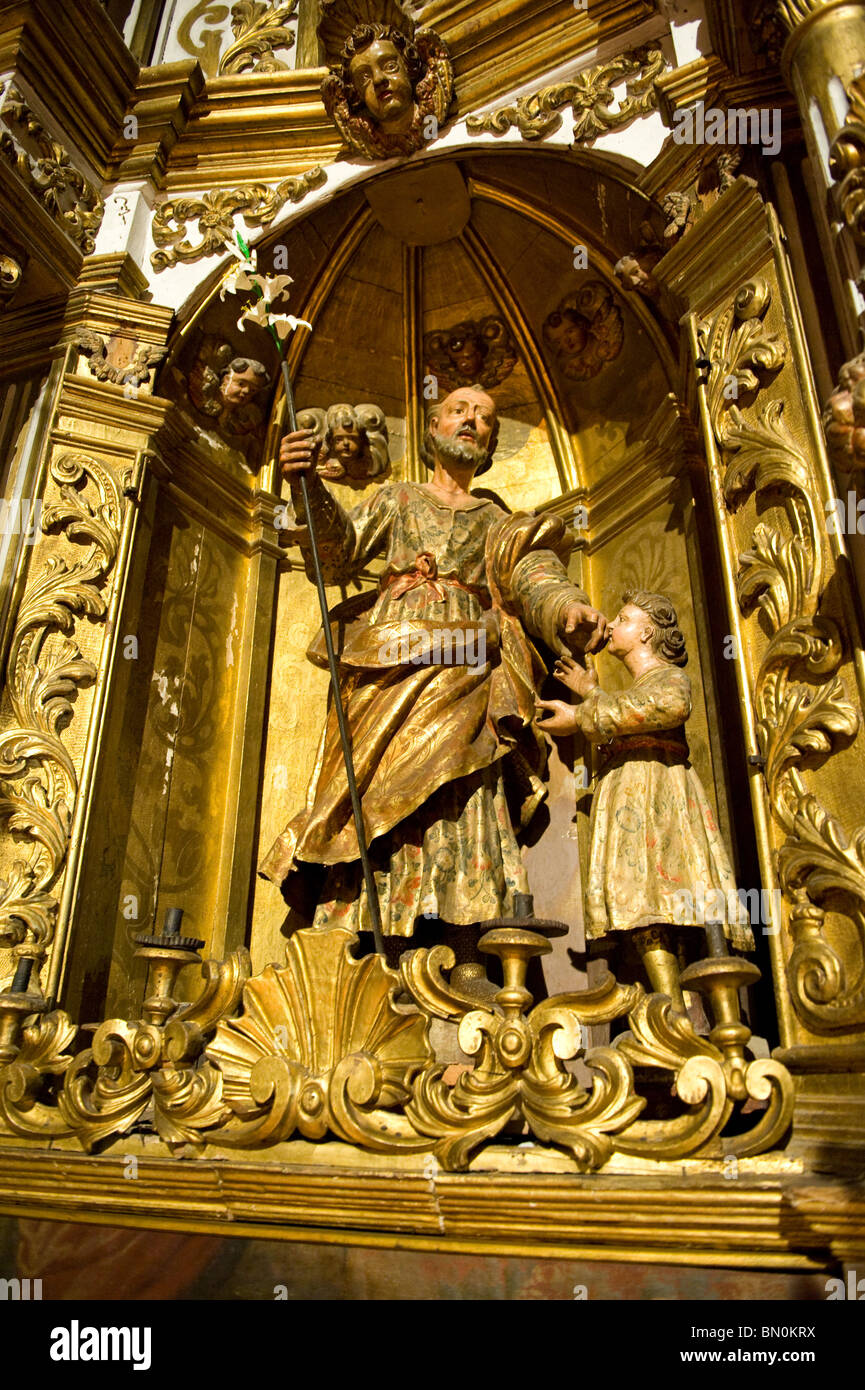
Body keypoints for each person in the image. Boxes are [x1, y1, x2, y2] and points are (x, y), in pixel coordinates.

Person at [261, 386, 607, 984]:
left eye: (486, 418)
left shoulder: (500, 520)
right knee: (369, 795)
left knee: (463, 793)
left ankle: (465, 951)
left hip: (467, 669)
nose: (472, 421)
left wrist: (566, 609)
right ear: (432, 427)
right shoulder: (396, 498)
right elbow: (337, 552)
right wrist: (305, 485)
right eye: (460, 411)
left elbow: (536, 575)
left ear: (493, 442)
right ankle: (360, 949)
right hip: (388, 664)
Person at [535, 590, 753, 1010]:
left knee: (669, 893)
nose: (612, 625)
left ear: (648, 631)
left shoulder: (669, 678)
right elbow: (622, 715)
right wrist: (589, 692)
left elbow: (667, 707)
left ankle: (691, 1007)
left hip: (659, 791)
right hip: (628, 793)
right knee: (639, 896)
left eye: (624, 617)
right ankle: (668, 1006)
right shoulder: (633, 689)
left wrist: (582, 712)